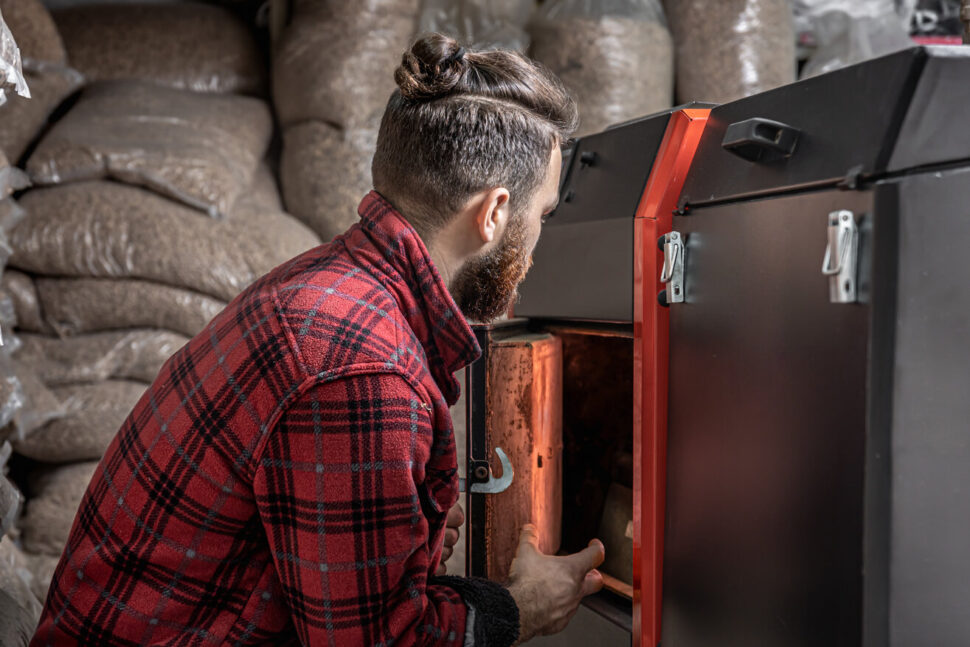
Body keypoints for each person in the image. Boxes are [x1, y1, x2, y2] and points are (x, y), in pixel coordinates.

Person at [31, 33, 605, 647]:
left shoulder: (331, 286)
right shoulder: (365, 369)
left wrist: (396, 539)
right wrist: (517, 609)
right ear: (493, 213)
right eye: (540, 215)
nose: (536, 243)